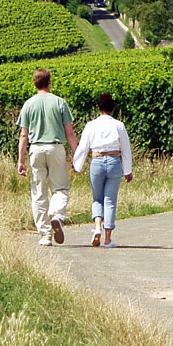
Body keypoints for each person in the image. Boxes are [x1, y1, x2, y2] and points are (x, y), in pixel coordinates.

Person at [17, 68, 79, 246]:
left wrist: (21, 160)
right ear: (50, 82)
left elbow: (23, 135)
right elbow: (70, 133)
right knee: (60, 188)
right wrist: (77, 155)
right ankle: (57, 215)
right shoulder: (60, 103)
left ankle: (45, 235)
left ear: (34, 83)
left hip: (35, 149)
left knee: (38, 192)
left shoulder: (28, 104)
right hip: (55, 147)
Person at [72, 93, 133, 248]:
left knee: (97, 197)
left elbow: (83, 146)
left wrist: (76, 165)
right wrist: (128, 171)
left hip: (97, 161)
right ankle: (107, 238)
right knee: (110, 200)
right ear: (113, 110)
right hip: (113, 161)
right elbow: (126, 149)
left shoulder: (91, 125)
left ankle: (97, 226)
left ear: (99, 109)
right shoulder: (119, 125)